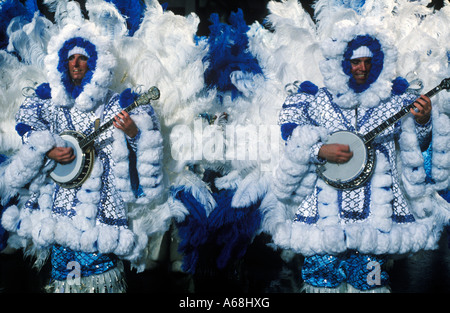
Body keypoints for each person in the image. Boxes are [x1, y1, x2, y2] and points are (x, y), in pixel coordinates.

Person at [269, 21, 449, 292]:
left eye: (368, 62)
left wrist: (423, 121)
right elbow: (291, 138)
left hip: (376, 218)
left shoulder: (395, 101)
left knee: (371, 281)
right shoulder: (316, 101)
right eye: (355, 62)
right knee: (321, 279)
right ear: (341, 61)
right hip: (324, 216)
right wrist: (319, 150)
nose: (362, 68)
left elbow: (417, 144)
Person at [0, 22, 165, 292]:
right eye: (71, 58)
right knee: (65, 270)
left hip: (100, 204)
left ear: (95, 63)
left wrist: (133, 131)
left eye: (83, 58)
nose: (76, 63)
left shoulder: (114, 103)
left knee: (99, 267)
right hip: (58, 201)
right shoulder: (50, 102)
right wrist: (48, 148)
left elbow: (146, 141)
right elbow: (26, 124)